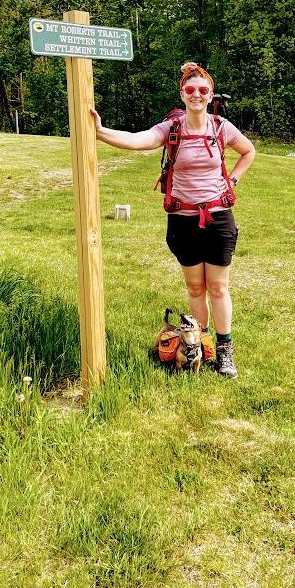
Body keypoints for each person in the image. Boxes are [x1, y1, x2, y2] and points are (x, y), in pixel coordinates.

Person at [90, 62, 255, 378]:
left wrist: (232, 181)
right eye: (190, 90)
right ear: (182, 94)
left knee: (218, 287)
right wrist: (100, 132)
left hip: (219, 218)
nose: (196, 94)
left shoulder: (221, 128)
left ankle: (224, 350)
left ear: (209, 96)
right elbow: (139, 140)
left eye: (202, 90)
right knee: (195, 288)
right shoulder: (172, 129)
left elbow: (248, 152)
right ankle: (199, 343)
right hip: (182, 220)